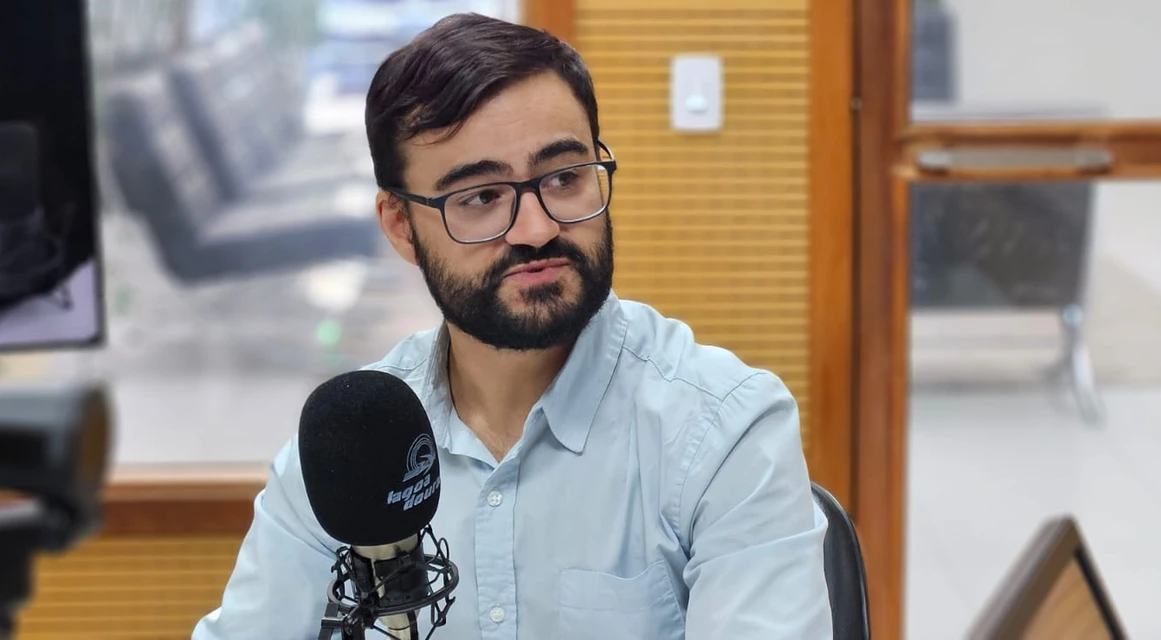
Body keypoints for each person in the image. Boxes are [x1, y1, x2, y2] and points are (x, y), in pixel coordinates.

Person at [192, 13, 831, 640]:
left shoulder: (723, 432)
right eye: (480, 197)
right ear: (400, 226)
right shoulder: (355, 447)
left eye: (565, 178)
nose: (537, 228)